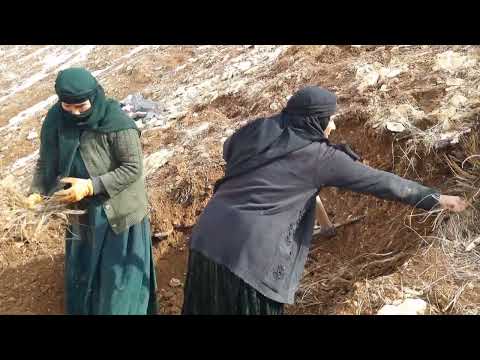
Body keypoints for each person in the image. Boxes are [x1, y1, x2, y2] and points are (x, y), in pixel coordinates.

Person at [181, 85, 467, 315]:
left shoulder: (261, 132)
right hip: (248, 253)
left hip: (207, 235)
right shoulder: (320, 158)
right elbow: (381, 182)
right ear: (315, 120)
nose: (333, 124)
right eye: (329, 117)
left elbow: (228, 149)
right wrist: (436, 198)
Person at [26, 67, 157, 315]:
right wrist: (37, 189)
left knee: (118, 291)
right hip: (83, 216)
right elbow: (46, 160)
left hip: (119, 217)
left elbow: (132, 168)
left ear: (94, 98)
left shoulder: (117, 123)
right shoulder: (56, 120)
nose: (75, 113)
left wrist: (90, 186)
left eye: (81, 106)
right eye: (68, 106)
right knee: (86, 282)